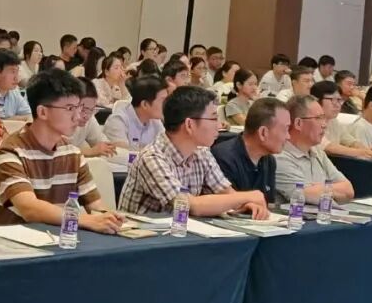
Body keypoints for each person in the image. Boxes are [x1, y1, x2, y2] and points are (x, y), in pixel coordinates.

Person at [0, 69, 122, 232]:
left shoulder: (72, 153)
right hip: (10, 242)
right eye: (70, 108)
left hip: (56, 238)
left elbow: (96, 206)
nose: (77, 116)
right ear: (42, 112)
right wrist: (85, 220)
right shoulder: (10, 152)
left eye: (78, 108)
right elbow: (29, 209)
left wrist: (108, 218)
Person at [119, 85, 269, 218]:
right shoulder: (152, 158)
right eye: (213, 119)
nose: (219, 125)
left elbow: (227, 193)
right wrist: (247, 197)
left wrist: (245, 204)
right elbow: (190, 205)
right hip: (142, 236)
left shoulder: (202, 152)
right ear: (189, 125)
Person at [275, 95, 356, 204]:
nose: (324, 125)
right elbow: (306, 195)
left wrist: (321, 189)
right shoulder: (280, 157)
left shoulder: (317, 151)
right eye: (318, 118)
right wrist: (328, 189)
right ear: (298, 123)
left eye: (324, 118)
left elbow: (348, 190)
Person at [212, 97, 289, 203]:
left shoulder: (269, 161)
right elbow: (230, 206)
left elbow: (267, 204)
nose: (288, 136)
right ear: (263, 133)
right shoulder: (224, 158)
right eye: (285, 129)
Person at [311, 80, 372, 160]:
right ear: (317, 101)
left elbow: (349, 140)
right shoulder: (310, 121)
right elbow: (328, 147)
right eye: (332, 100)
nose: (337, 105)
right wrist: (360, 152)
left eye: (339, 100)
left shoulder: (334, 121)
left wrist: (365, 148)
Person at [102, 74, 167, 148]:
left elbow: (166, 148)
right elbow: (123, 153)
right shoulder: (117, 120)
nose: (167, 104)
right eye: (163, 100)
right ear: (145, 104)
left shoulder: (155, 121)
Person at [69, 80, 117, 158]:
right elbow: (58, 153)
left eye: (91, 110)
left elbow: (102, 141)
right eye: (83, 109)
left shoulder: (89, 117)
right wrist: (90, 151)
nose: (87, 116)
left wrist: (108, 146)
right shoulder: (59, 120)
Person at [0, 48, 31, 120]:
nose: (16, 78)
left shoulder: (14, 92)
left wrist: (10, 120)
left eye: (17, 71)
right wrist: (12, 120)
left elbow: (29, 116)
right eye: (12, 72)